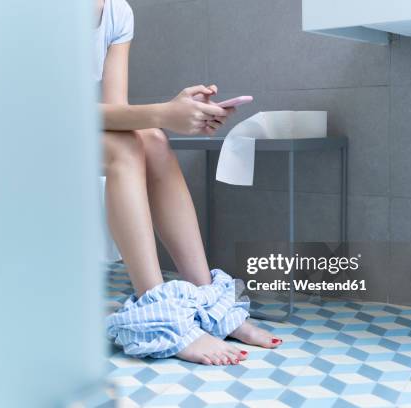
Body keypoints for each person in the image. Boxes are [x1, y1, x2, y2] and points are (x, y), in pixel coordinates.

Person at [96, 0, 281, 366]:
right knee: (127, 148)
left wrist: (180, 115)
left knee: (153, 140)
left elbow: (113, 112)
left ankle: (208, 301)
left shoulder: (118, 12)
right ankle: (159, 315)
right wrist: (166, 113)